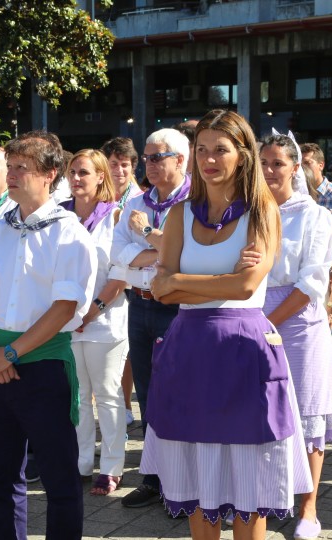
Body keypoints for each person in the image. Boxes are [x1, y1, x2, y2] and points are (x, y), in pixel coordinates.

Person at [143, 109, 312, 540]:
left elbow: (246, 286)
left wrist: (179, 280)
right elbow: (160, 291)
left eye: (220, 149)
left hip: (243, 352)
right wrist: (217, 280)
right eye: (201, 150)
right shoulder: (180, 214)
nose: (208, 159)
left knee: (248, 486)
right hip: (189, 350)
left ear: (243, 154)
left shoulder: (262, 211)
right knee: (198, 480)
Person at [0, 131, 96, 540]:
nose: (12, 175)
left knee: (59, 479)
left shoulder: (68, 232)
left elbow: (63, 308)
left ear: (50, 174)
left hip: (43, 366)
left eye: (22, 167)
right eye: (11, 166)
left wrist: (11, 353)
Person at [260, 133, 332, 539]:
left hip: (298, 323)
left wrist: (267, 322)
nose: (269, 170)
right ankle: (265, 497)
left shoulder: (314, 215)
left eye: (277, 163)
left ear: (295, 168)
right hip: (253, 318)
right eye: (263, 162)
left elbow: (313, 281)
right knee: (260, 413)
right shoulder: (248, 212)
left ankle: (309, 508)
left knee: (307, 415)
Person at [111, 128, 191, 508]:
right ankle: (154, 477)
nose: (149, 164)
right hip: (139, 304)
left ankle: (183, 482)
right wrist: (161, 251)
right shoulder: (136, 202)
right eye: (146, 157)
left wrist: (146, 235)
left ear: (180, 159)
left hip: (177, 307)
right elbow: (117, 254)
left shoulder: (194, 202)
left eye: (157, 157)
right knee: (146, 393)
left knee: (178, 392)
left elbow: (186, 255)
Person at [61, 149, 128, 495]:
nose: (75, 178)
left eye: (83, 172)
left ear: (101, 176)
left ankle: (112, 467)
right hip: (66, 320)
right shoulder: (60, 215)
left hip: (105, 319)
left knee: (107, 394)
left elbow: (121, 272)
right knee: (77, 396)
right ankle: (80, 463)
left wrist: (92, 311)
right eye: (72, 172)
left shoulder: (115, 216)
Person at [99, 137, 142, 426]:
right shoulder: (99, 197)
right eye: (113, 164)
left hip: (129, 285)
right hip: (102, 279)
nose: (119, 170)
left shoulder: (139, 200)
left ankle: (125, 405)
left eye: (124, 164)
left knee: (126, 353)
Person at [300, 143, 332, 215]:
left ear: (321, 165)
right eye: (300, 165)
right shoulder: (297, 193)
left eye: (307, 163)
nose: (302, 168)